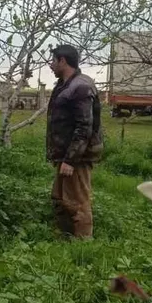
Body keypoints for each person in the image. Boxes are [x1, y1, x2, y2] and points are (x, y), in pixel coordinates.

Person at [46, 44, 104, 239]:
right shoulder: (65, 85)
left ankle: (83, 247)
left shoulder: (80, 87)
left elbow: (84, 126)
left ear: (63, 61)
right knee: (61, 198)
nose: (51, 65)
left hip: (76, 157)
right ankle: (65, 238)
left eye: (53, 61)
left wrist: (71, 159)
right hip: (65, 155)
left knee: (77, 201)